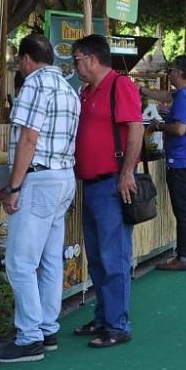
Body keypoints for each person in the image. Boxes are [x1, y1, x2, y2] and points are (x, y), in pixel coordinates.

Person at [0, 34, 80, 363]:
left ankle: (29, 337)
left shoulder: (34, 85)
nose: (18, 67)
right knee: (50, 259)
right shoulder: (69, 91)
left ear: (28, 59)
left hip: (39, 180)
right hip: (63, 178)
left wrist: (14, 186)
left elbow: (29, 138)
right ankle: (47, 327)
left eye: (18, 61)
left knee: (20, 262)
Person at [70, 34, 144, 348]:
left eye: (76, 59)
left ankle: (117, 324)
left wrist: (127, 172)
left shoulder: (119, 85)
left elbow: (136, 128)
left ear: (91, 58)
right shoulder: (86, 92)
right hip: (91, 183)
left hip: (111, 182)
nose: (75, 66)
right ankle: (104, 318)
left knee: (113, 257)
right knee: (98, 258)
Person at [141, 55, 186, 271]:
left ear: (178, 73)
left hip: (180, 162)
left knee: (184, 212)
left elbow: (179, 129)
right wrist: (144, 91)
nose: (169, 74)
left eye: (171, 70)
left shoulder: (183, 98)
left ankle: (184, 256)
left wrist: (158, 126)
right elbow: (168, 96)